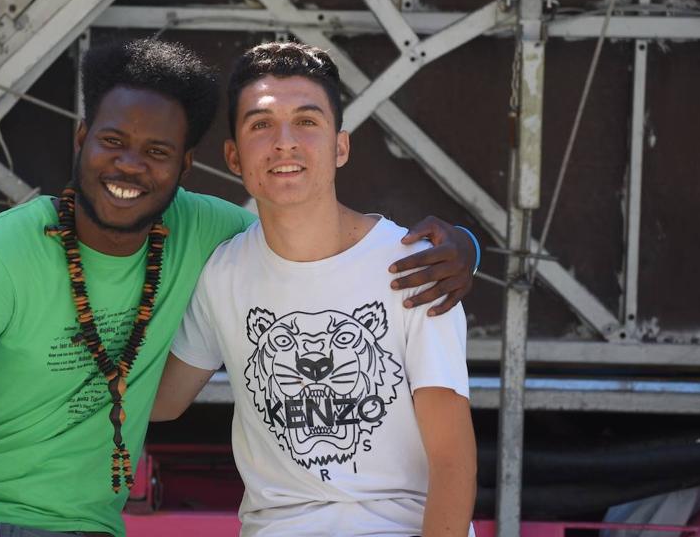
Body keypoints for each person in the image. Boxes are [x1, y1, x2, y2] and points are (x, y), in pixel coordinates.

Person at [0, 39, 479, 537]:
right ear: (82, 140)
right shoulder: (4, 254)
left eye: (156, 151)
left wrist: (464, 248)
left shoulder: (230, 243)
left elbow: (307, 229)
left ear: (184, 167)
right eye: (112, 141)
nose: (129, 165)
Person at [152, 42, 476, 536]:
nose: (285, 142)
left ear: (340, 147)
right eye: (261, 124)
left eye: (306, 121)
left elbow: (452, 463)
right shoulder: (222, 274)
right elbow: (160, 402)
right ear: (234, 156)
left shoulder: (416, 267)